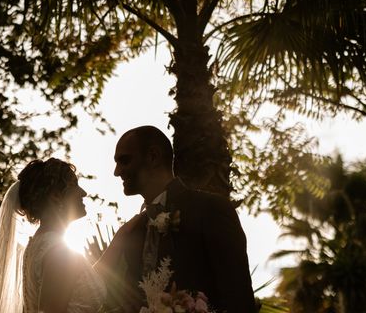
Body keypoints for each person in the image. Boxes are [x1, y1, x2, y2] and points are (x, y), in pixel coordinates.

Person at [108, 125, 256, 313]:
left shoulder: (211, 210)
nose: (117, 171)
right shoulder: (134, 230)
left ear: (153, 156)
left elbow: (238, 299)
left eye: (124, 160)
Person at [0, 158, 140, 313]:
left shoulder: (41, 244)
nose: (83, 193)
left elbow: (85, 280)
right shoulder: (58, 251)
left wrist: (121, 234)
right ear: (55, 197)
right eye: (75, 186)